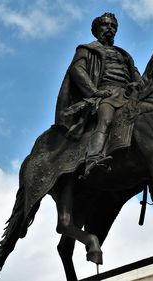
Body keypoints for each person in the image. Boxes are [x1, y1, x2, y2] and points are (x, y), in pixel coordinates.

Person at [55, 12, 143, 177]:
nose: (110, 28)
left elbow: (136, 74)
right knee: (106, 119)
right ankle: (93, 159)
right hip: (106, 93)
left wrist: (141, 85)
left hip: (129, 94)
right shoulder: (87, 49)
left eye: (113, 26)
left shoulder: (123, 54)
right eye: (105, 25)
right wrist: (95, 92)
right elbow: (77, 70)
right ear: (96, 30)